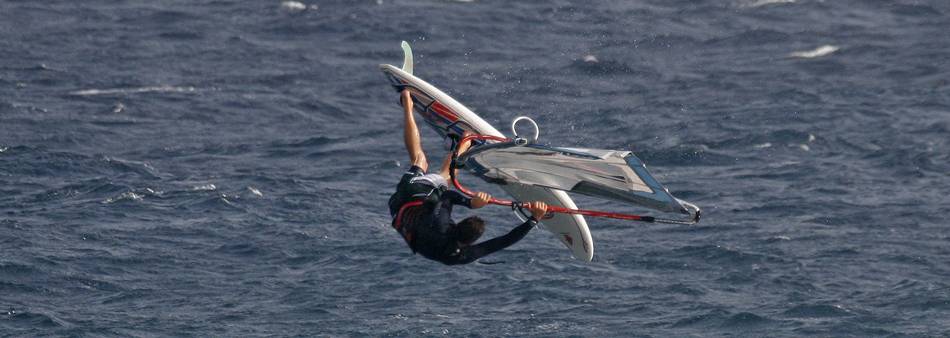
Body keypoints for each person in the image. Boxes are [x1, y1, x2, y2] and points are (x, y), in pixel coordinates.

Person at [388, 89, 548, 265]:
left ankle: (464, 140)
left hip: (412, 197)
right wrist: (533, 220)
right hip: (397, 209)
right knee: (420, 162)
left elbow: (447, 197)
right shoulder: (456, 255)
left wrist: (470, 203)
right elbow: (501, 242)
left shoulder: (443, 229)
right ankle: (411, 106)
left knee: (440, 176)